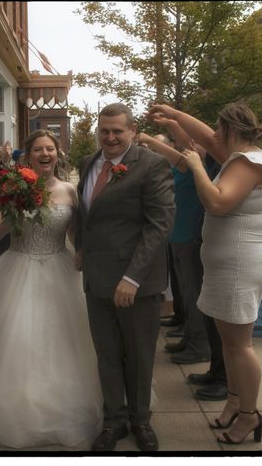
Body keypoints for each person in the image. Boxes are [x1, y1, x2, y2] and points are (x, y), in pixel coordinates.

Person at [0, 129, 102, 448]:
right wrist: (15, 211)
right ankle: (15, 406)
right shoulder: (12, 188)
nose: (45, 154)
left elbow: (74, 233)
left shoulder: (71, 191)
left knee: (65, 340)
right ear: (28, 156)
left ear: (58, 154)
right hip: (18, 268)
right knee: (17, 340)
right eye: (38, 150)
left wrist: (83, 252)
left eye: (50, 149)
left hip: (60, 267)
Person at [148, 102, 262, 445]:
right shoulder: (236, 155)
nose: (214, 135)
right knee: (229, 344)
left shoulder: (249, 162)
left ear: (233, 130)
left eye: (220, 130)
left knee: (240, 346)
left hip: (239, 266)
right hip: (225, 266)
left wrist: (194, 165)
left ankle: (249, 416)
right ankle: (235, 401)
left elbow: (219, 202)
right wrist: (173, 114)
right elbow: (202, 133)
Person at [76, 103, 175, 452]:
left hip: (135, 282)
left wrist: (132, 278)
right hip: (96, 280)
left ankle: (141, 422)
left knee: (139, 355)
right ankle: (113, 422)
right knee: (106, 354)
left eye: (118, 131)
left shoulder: (152, 165)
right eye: (104, 130)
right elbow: (86, 214)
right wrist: (81, 248)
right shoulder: (89, 163)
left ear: (132, 131)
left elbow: (159, 225)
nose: (110, 137)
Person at [136, 132, 211, 365]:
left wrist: (149, 140)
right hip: (177, 239)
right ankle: (190, 338)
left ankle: (199, 346)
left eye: (195, 143)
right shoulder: (182, 169)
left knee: (193, 294)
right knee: (186, 294)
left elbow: (177, 157)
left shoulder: (199, 170)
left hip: (190, 239)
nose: (189, 146)